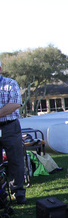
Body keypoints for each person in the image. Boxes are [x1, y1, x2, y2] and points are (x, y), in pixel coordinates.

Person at [0, 60, 27, 204]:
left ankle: (19, 193)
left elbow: (14, 104)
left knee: (15, 160)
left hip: (9, 126)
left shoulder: (10, 83)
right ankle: (1, 195)